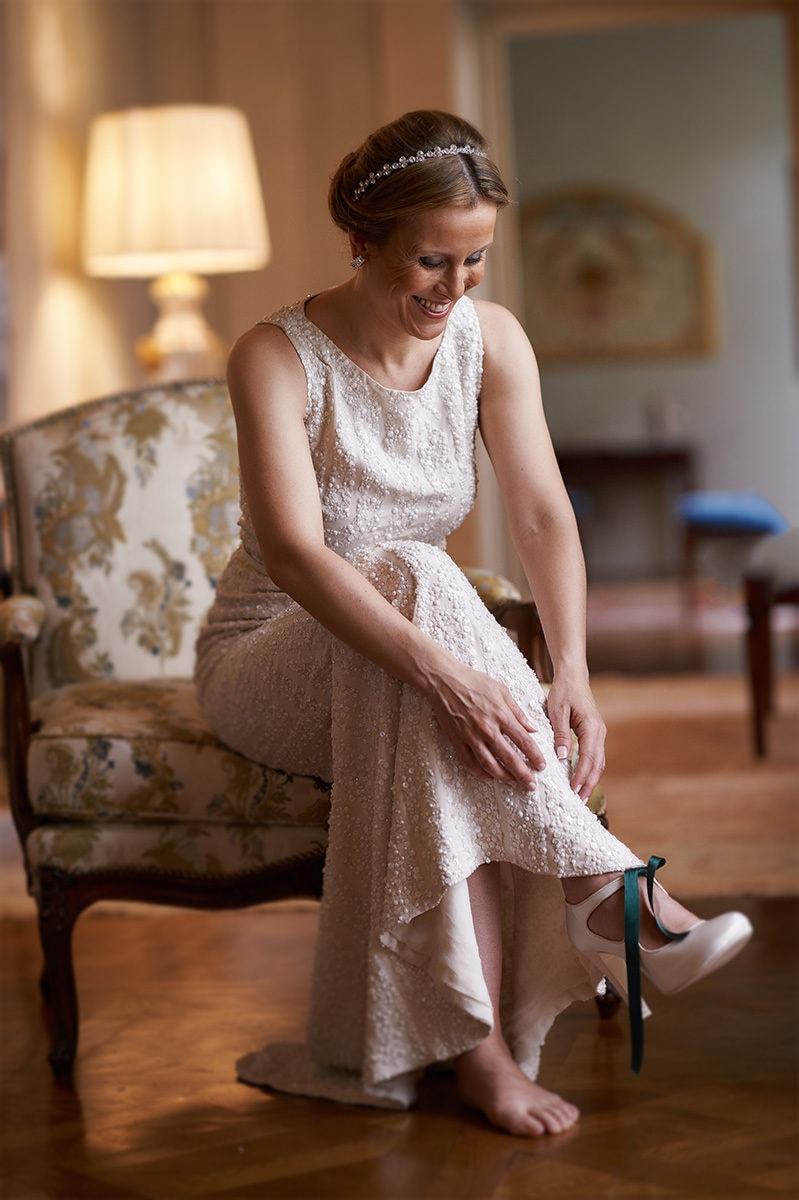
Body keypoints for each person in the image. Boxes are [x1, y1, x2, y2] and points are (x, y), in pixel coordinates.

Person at [195, 110, 752, 1138]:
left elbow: (541, 512)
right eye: (429, 261)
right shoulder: (274, 356)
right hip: (272, 658)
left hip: (395, 660)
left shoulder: (490, 341)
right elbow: (296, 554)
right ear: (361, 241)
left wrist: (572, 671)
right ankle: (605, 887)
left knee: (438, 719)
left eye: (475, 260)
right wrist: (455, 680)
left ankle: (482, 1055)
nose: (453, 288)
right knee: (419, 578)